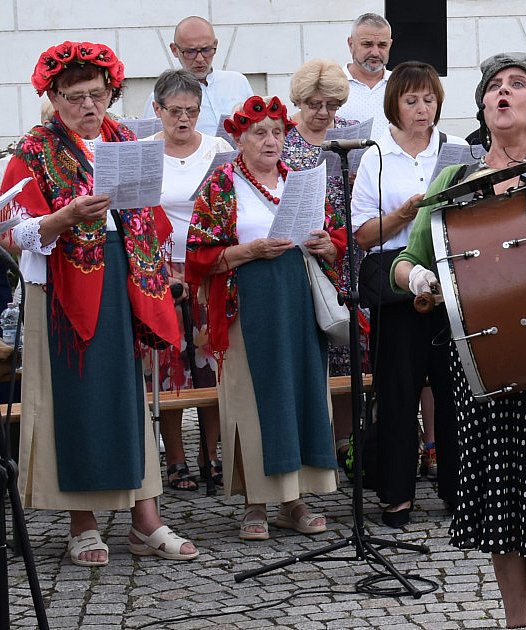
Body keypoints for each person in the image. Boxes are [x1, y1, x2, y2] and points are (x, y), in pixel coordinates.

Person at [391, 3, 526, 627]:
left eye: (517, 85)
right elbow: (405, 263)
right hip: (478, 364)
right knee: (500, 510)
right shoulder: (455, 179)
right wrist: (423, 280)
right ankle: (515, 623)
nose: (502, 93)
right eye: (493, 87)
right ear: (483, 110)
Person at [1, 41, 198, 567]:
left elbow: (148, 209)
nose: (88, 106)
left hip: (127, 279)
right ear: (54, 96)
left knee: (126, 396)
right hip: (63, 290)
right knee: (78, 400)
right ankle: (83, 522)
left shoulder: (123, 139)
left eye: (97, 94)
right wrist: (63, 218)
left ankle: (145, 518)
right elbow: (10, 231)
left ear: (111, 91)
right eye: (74, 97)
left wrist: (161, 263)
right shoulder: (34, 149)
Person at [187, 95, 345, 541]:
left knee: (301, 392)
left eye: (278, 132)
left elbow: (335, 237)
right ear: (240, 138)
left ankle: (295, 500)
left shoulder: (301, 181)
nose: (271, 140)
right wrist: (249, 251)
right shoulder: (221, 185)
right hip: (247, 304)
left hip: (297, 300)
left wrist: (325, 244)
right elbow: (199, 255)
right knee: (252, 398)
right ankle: (255, 501)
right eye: (260, 132)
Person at [352, 61, 467, 527]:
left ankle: (459, 490)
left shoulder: (456, 151)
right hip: (397, 280)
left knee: (454, 391)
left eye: (429, 99)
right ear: (393, 105)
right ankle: (396, 492)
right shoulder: (375, 158)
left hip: (450, 275)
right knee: (397, 392)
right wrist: (404, 215)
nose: (422, 109)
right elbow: (362, 235)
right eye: (411, 100)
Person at [146, 69, 233, 492]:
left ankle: (211, 453)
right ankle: (176, 456)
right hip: (159, 272)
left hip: (207, 269)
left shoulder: (217, 148)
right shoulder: (144, 152)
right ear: (158, 109)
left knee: (210, 364)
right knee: (169, 368)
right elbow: (138, 215)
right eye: (175, 111)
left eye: (192, 111)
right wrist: (161, 267)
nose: (184, 119)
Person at [281, 58, 359, 465]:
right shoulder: (284, 139)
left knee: (346, 350)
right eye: (314, 104)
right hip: (301, 256)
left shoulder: (348, 136)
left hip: (345, 253)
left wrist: (340, 242)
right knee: (310, 349)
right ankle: (315, 439)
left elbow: (365, 198)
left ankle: (346, 440)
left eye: (331, 105)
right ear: (300, 101)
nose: (323, 113)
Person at [142, 16, 253, 136]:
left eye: (206, 50)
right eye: (190, 52)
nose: (200, 59)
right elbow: (152, 143)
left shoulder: (237, 82)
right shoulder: (163, 93)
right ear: (174, 50)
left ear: (215, 45)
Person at [340, 13, 393, 144]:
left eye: (382, 45)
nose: (375, 52)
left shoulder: (401, 85)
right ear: (351, 44)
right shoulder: (331, 85)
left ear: (390, 45)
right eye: (367, 44)